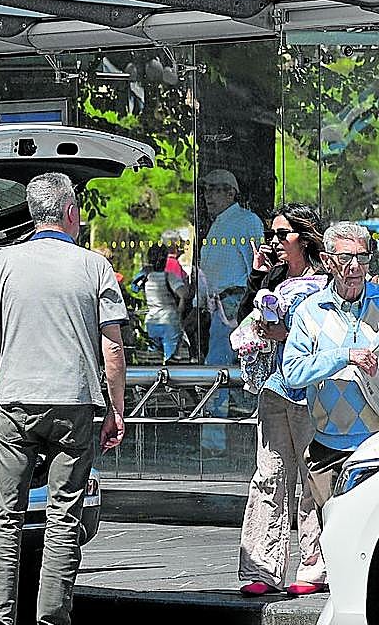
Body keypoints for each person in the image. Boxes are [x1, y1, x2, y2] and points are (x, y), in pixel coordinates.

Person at [0, 172, 128, 625]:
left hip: (15, 404)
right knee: (63, 517)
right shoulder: (94, 267)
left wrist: (1, 384)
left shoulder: (2, 263)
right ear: (71, 213)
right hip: (74, 404)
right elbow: (113, 347)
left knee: (5, 517)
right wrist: (115, 410)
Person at [234, 205, 329, 596]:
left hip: (312, 390)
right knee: (268, 474)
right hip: (275, 386)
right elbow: (243, 317)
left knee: (311, 477)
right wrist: (258, 275)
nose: (274, 241)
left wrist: (286, 334)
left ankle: (314, 566)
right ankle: (262, 568)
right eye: (270, 235)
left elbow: (328, 332)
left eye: (281, 234)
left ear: (303, 238)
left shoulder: (325, 281)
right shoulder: (273, 277)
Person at [283, 221, 379, 596]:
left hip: (374, 445)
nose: (354, 267)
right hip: (328, 445)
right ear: (327, 261)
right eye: (345, 258)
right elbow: (292, 371)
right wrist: (344, 356)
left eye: (362, 258)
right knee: (337, 533)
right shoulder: (310, 311)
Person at [198, 169, 264, 455]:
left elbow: (258, 270)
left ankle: (220, 443)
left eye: (215, 189)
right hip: (217, 307)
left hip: (236, 305)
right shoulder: (218, 224)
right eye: (206, 190)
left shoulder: (246, 221)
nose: (208, 196)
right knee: (219, 372)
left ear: (231, 193)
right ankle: (216, 441)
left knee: (224, 373)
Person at [140, 243, 188, 362]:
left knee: (154, 358)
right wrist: (180, 309)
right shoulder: (169, 276)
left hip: (151, 321)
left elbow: (134, 287)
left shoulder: (146, 277)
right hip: (169, 321)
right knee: (170, 359)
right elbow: (183, 294)